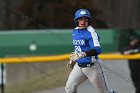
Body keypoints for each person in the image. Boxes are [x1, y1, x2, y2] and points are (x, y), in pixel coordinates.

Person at [65, 9, 117, 93]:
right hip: (79, 66)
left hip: (93, 67)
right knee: (69, 89)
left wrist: (83, 54)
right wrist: (75, 57)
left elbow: (98, 49)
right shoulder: (75, 31)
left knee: (105, 91)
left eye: (86, 19)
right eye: (80, 19)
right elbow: (79, 47)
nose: (83, 21)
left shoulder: (91, 32)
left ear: (89, 21)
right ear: (76, 20)